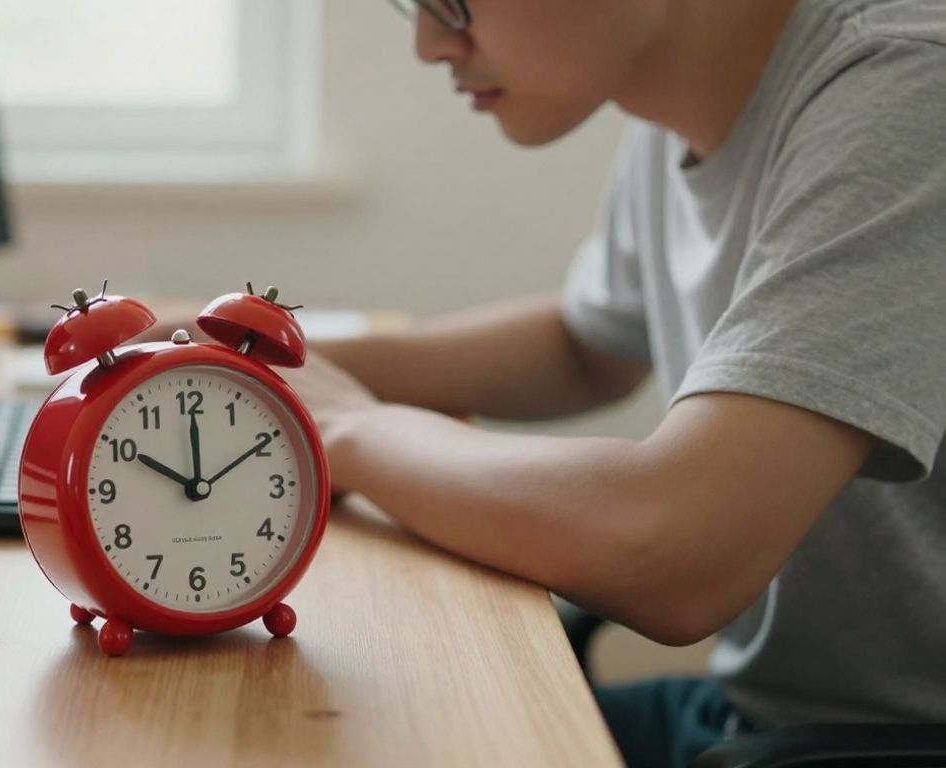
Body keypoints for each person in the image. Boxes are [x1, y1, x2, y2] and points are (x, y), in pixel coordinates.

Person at [149, 0, 946, 764]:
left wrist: (348, 428)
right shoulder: (679, 99)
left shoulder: (912, 88)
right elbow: (584, 348)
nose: (430, 43)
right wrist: (262, 364)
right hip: (772, 720)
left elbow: (674, 549)